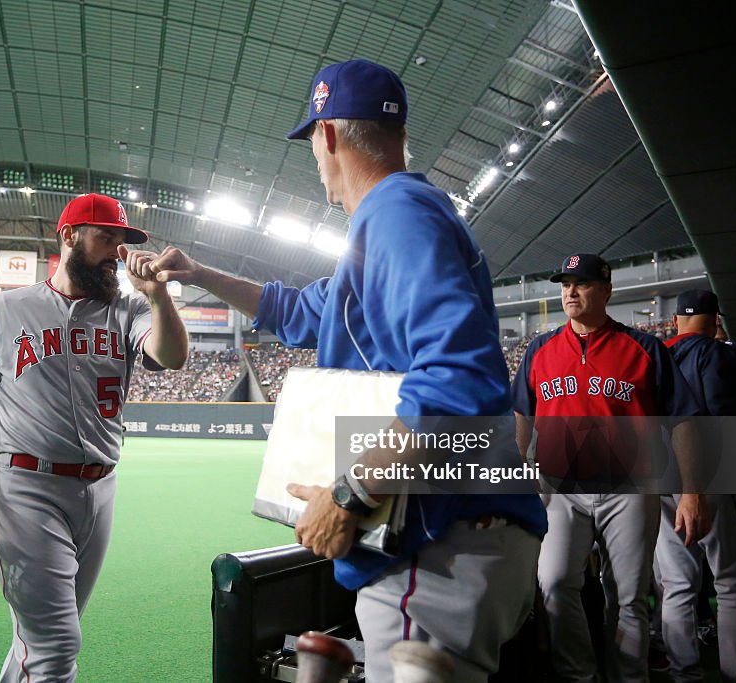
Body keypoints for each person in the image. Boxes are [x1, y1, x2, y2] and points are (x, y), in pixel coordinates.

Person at [151, 58, 547, 683]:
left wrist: (349, 493)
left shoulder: (395, 213)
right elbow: (300, 312)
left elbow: (458, 378)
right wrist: (200, 275)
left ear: (328, 134)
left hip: (437, 542)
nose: (314, 154)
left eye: (312, 138)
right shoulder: (392, 218)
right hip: (457, 532)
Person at [0, 193, 188, 682]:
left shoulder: (131, 308)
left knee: (43, 638)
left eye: (123, 240)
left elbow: (172, 356)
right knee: (55, 642)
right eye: (106, 237)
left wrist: (158, 295)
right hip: (26, 488)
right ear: (68, 235)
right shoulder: (6, 309)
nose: (117, 250)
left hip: (100, 490)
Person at [511, 254, 710, 682]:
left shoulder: (645, 347)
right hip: (560, 487)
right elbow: (521, 417)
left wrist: (692, 491)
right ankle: (579, 676)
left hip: (630, 487)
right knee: (555, 581)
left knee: (628, 596)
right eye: (565, 283)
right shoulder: (540, 350)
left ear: (605, 291)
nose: (570, 292)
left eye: (581, 283)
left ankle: (629, 678)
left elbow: (683, 421)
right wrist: (516, 474)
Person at [654, 289, 736, 681]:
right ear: (713, 321)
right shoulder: (715, 352)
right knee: (733, 582)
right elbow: (725, 415)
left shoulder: (653, 354)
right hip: (710, 470)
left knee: (676, 583)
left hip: (658, 474)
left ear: (676, 320)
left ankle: (684, 673)